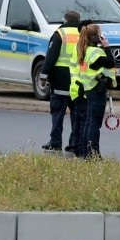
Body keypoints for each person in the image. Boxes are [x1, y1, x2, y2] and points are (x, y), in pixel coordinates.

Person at [71, 23, 117, 159]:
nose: (103, 35)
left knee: (89, 122)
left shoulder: (85, 49)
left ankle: (87, 153)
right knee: (94, 124)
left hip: (89, 89)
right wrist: (107, 46)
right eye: (101, 33)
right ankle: (93, 154)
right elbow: (111, 62)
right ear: (96, 37)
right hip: (96, 89)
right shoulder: (96, 52)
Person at [39, 10, 82, 152]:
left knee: (57, 112)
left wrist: (43, 76)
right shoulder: (83, 34)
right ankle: (75, 144)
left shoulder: (60, 34)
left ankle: (56, 142)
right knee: (77, 114)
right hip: (78, 80)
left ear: (65, 20)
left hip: (60, 80)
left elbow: (51, 57)